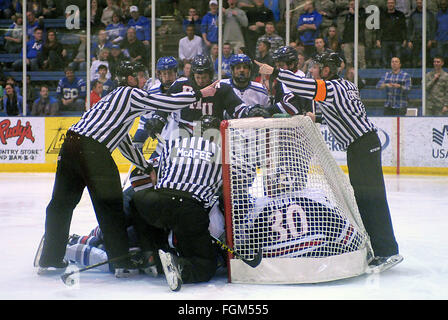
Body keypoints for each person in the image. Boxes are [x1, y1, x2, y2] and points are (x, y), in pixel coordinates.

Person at [35, 61, 218, 277]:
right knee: (111, 206)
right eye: (140, 76)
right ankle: (120, 261)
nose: (144, 81)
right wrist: (198, 93)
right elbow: (163, 101)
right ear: (130, 78)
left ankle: (51, 257)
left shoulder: (112, 100)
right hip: (93, 151)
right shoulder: (129, 94)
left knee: (60, 205)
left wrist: (145, 165)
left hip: (70, 146)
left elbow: (124, 142)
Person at [255, 52, 403, 274]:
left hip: (362, 146)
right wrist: (320, 118)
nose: (312, 70)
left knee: (372, 199)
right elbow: (343, 113)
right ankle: (381, 248)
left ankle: (387, 251)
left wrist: (274, 72)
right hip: (362, 145)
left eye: (316, 67)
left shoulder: (330, 88)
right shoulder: (346, 85)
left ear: (326, 70)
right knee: (366, 198)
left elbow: (302, 86)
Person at [130, 115, 223, 291]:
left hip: (155, 202)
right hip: (188, 209)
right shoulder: (222, 152)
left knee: (137, 202)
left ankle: (151, 252)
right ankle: (179, 265)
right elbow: (236, 183)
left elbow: (145, 175)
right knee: (205, 265)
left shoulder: (173, 145)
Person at [258, 46, 313, 116]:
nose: (278, 69)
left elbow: (292, 106)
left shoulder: (300, 79)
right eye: (277, 66)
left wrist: (267, 110)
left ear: (292, 65)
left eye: (281, 66)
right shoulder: (282, 80)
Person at [377, 0, 407, 68]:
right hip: (385, 40)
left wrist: (405, 39)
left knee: (397, 60)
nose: (390, 4)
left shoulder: (400, 14)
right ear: (387, 4)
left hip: (397, 40)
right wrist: (378, 39)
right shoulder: (382, 15)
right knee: (384, 60)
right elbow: (379, 28)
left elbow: (403, 28)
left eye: (392, 3)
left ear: (395, 4)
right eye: (389, 3)